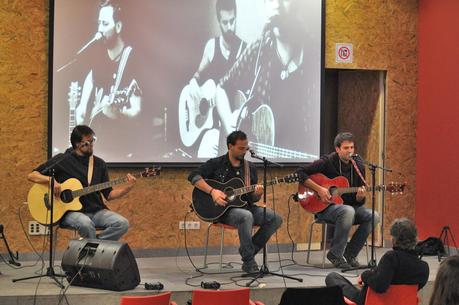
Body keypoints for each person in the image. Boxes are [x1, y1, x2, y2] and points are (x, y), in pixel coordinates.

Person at [213, 0, 317, 157]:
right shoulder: (261, 48)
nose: (277, 4)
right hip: (258, 170)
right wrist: (231, 130)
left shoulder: (314, 55)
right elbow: (220, 88)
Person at [188, 130, 282, 273]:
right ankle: (249, 262)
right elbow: (193, 176)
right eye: (240, 148)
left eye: (246, 148)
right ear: (230, 146)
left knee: (275, 218)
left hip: (245, 207)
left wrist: (257, 194)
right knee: (246, 216)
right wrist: (213, 192)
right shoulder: (216, 163)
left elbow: (250, 198)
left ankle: (248, 250)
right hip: (222, 210)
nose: (244, 151)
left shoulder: (249, 168)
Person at [28, 125, 135, 241]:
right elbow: (32, 175)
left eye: (92, 140)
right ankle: (91, 247)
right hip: (69, 212)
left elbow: (109, 194)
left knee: (122, 223)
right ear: (77, 144)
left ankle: (92, 245)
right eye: (87, 142)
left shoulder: (99, 164)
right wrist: (51, 181)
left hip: (96, 211)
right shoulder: (62, 160)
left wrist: (127, 189)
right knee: (86, 224)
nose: (92, 145)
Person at [296, 132, 380, 268]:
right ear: (337, 149)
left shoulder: (358, 165)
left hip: (349, 208)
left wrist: (359, 197)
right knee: (347, 211)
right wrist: (319, 189)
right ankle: (335, 253)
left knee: (374, 216)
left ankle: (350, 254)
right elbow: (300, 172)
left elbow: (357, 201)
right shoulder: (327, 161)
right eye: (346, 148)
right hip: (325, 208)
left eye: (352, 147)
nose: (350, 151)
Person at [75, 0, 143, 160]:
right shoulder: (98, 58)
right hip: (94, 148)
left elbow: (137, 110)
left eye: (105, 24)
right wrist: (81, 108)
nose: (99, 29)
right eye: (99, 23)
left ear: (118, 27)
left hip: (119, 150)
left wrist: (118, 114)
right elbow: (89, 83)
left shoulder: (133, 61)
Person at [183, 0, 247, 158]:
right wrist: (192, 83)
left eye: (232, 21)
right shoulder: (212, 46)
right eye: (225, 22)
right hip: (212, 129)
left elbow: (246, 93)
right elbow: (197, 75)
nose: (230, 27)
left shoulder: (244, 50)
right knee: (203, 159)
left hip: (232, 128)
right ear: (219, 21)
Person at [325, 218, 430, 305]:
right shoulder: (423, 267)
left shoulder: (391, 258)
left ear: (394, 239)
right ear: (415, 239)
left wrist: (365, 275)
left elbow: (380, 286)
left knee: (332, 277)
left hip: (367, 301)